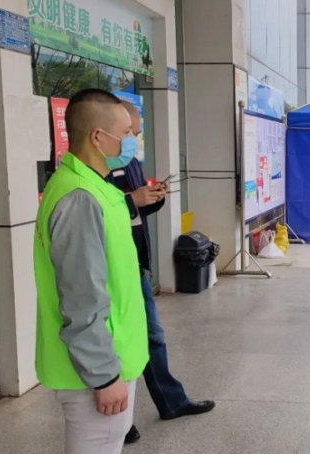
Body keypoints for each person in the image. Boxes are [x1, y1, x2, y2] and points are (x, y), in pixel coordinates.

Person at [34, 89, 147, 454]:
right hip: (95, 369)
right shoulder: (80, 196)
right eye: (126, 133)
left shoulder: (93, 186)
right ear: (98, 137)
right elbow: (82, 295)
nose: (132, 141)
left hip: (108, 358)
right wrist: (104, 376)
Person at [111, 102, 215, 444]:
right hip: (113, 268)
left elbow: (135, 211)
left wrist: (153, 197)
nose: (134, 139)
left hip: (135, 262)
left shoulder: (129, 160)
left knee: (152, 335)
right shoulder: (94, 170)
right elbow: (101, 211)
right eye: (129, 132)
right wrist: (131, 200)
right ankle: (119, 420)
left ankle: (170, 401)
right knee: (120, 343)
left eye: (136, 133)